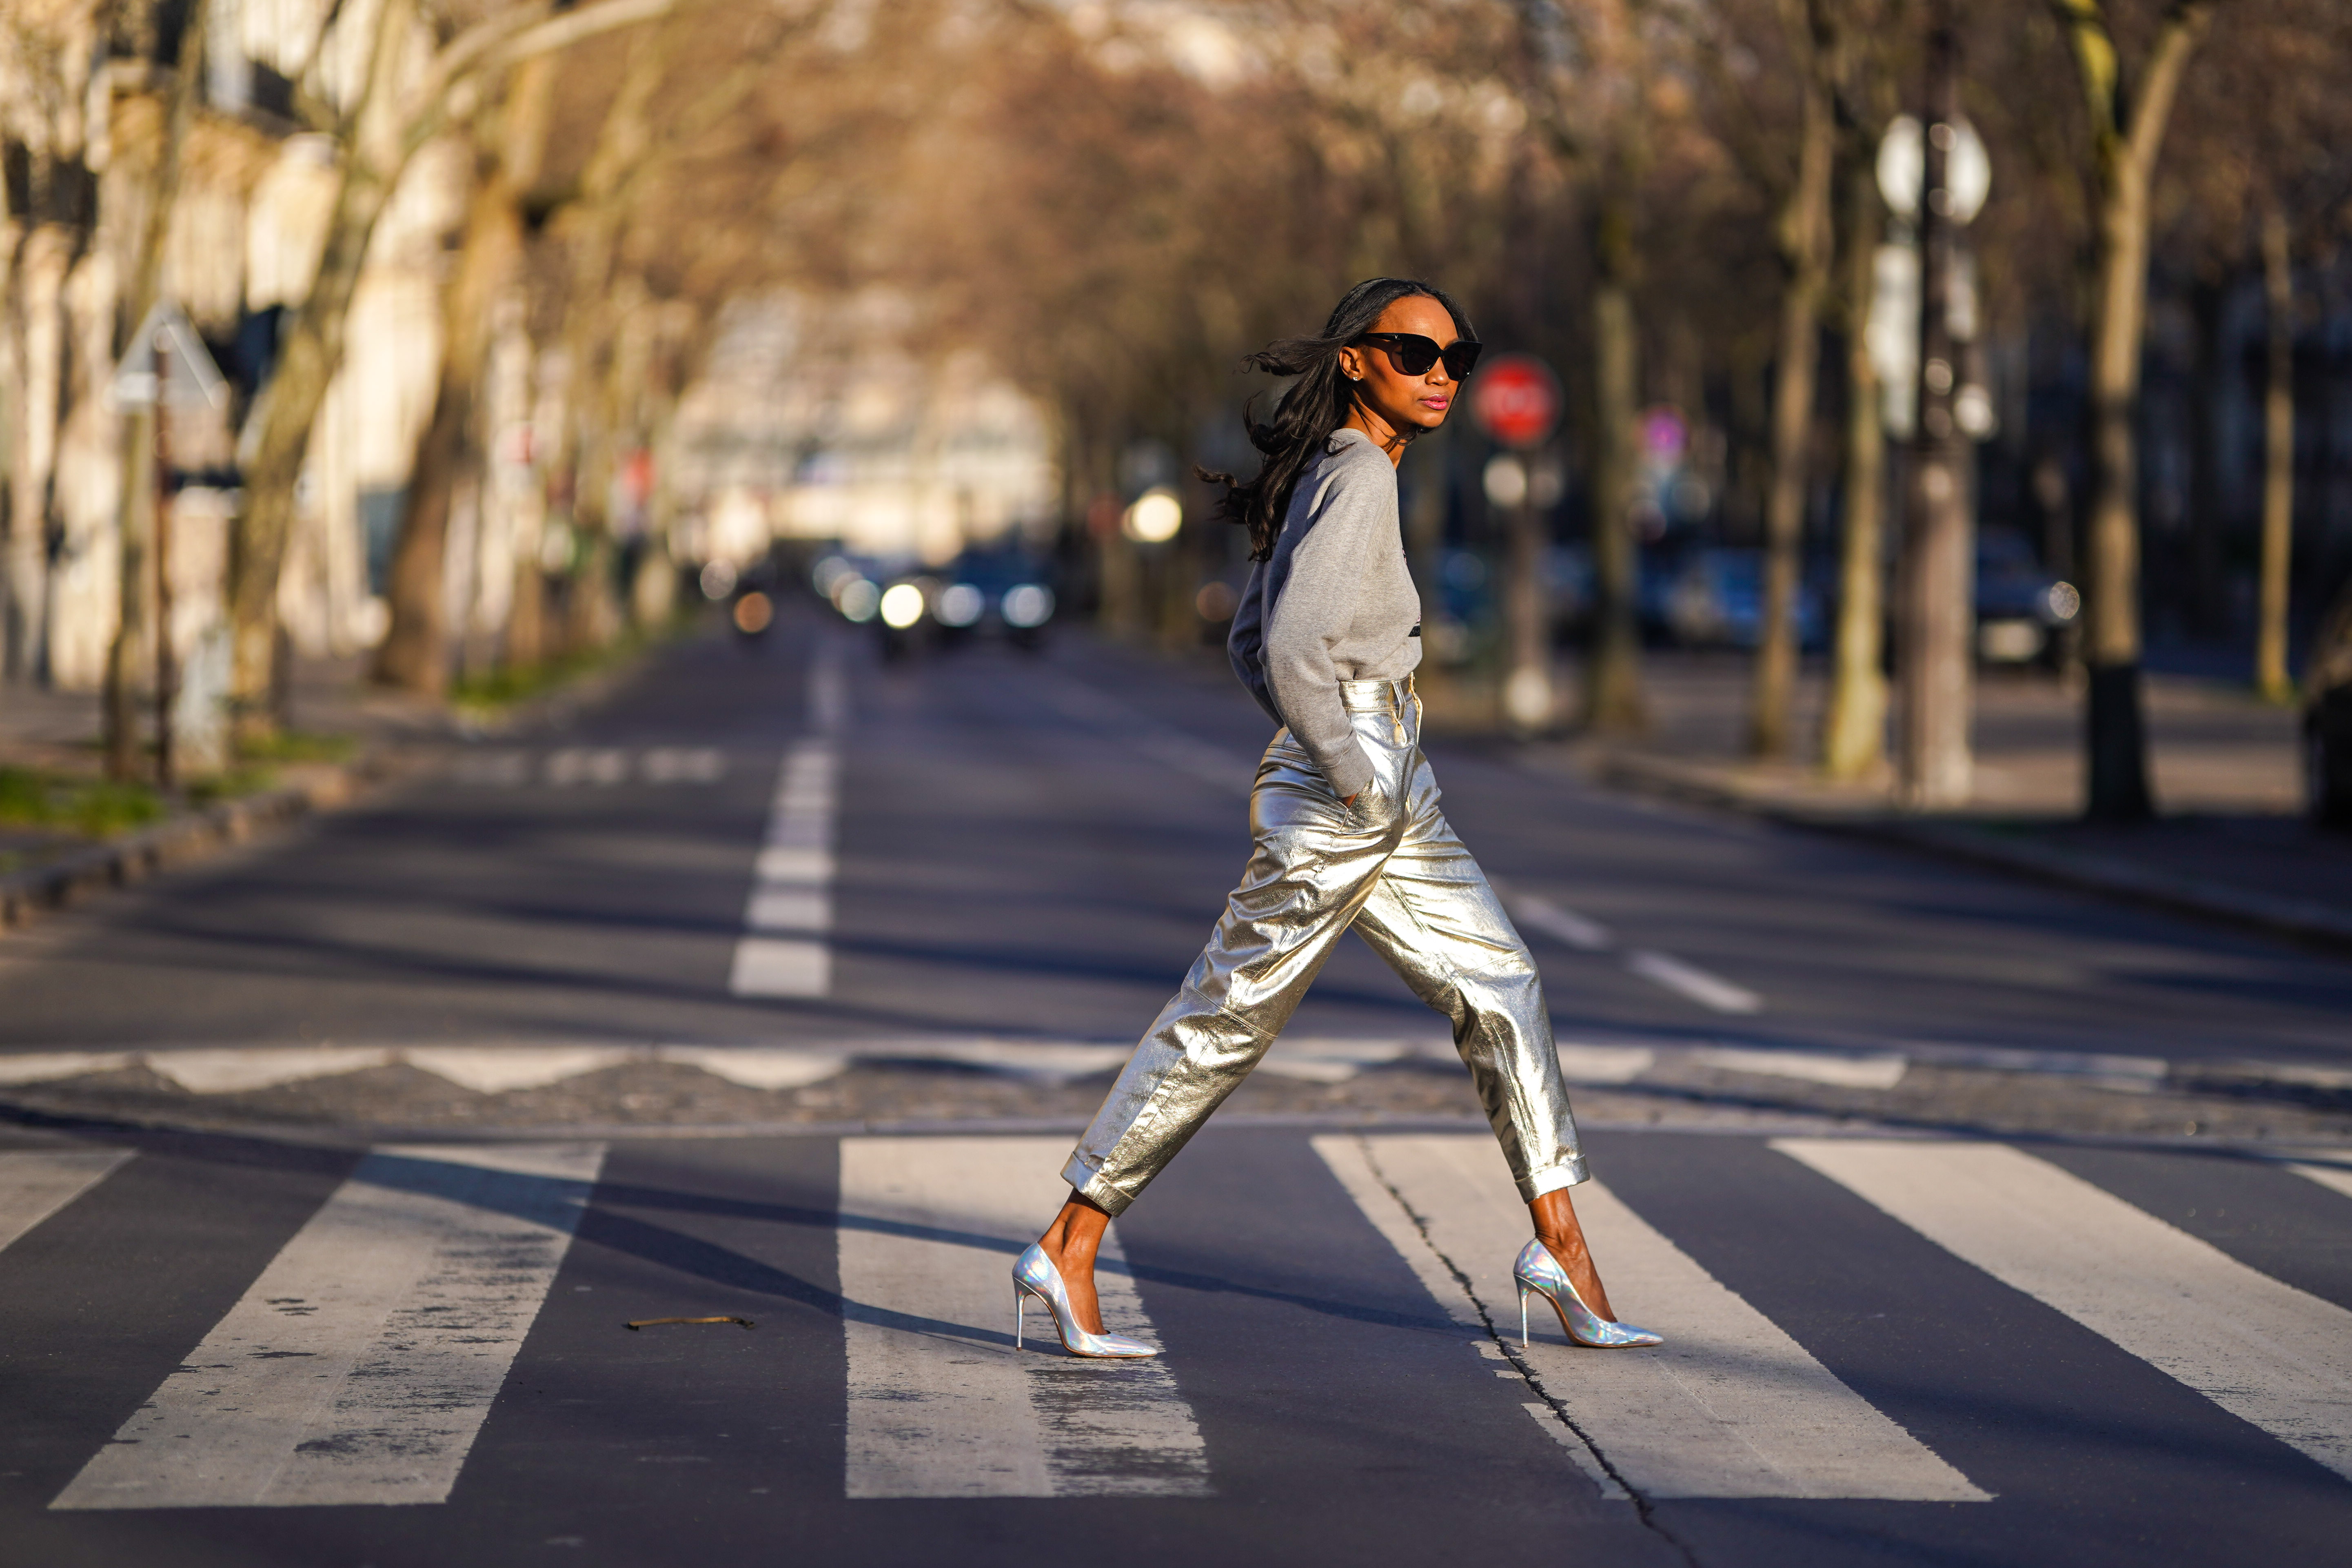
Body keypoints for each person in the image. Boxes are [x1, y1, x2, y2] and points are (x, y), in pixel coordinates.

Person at [1011, 278, 1660, 1360]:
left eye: (1457, 355)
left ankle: (1565, 1254)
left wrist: (1360, 757)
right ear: (1357, 360)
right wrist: (1351, 767)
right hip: (1354, 790)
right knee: (1226, 1018)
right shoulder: (1355, 475)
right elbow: (1284, 648)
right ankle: (1070, 1241)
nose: (1441, 374)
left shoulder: (1335, 472)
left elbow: (1249, 638)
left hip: (1385, 780)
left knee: (1500, 982)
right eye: (1415, 353)